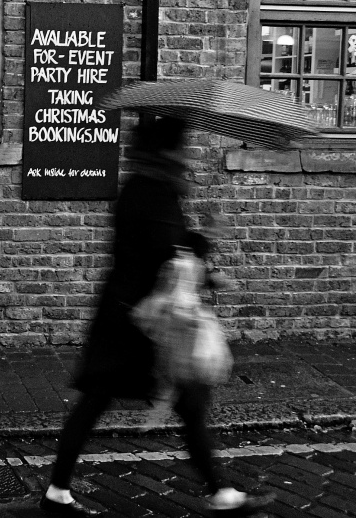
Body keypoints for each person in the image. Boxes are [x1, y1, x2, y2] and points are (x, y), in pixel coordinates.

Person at [40, 116, 274, 517]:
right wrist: (207, 244)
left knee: (168, 400)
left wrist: (200, 246)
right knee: (115, 399)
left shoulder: (147, 186)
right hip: (139, 321)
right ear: (166, 150)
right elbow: (168, 253)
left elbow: (169, 246)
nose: (188, 154)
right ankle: (219, 493)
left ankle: (219, 492)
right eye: (182, 146)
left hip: (134, 314)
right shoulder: (152, 190)